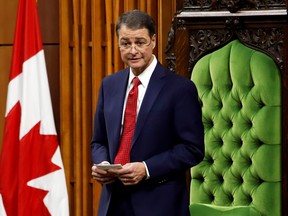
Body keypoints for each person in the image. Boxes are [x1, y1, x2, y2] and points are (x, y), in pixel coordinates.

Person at [91, 9, 204, 216]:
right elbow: (98, 142)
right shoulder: (109, 85)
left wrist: (146, 168)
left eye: (140, 42)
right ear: (118, 44)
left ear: (153, 41)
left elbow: (192, 149)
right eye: (125, 43)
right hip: (113, 202)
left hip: (159, 204)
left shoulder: (180, 89)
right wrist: (104, 165)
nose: (133, 50)